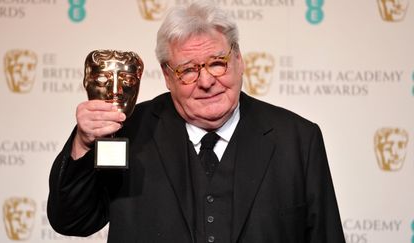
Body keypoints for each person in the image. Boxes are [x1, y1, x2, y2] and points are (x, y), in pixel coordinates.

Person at [47, 1, 345, 242]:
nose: (206, 82)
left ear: (239, 60)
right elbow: (73, 220)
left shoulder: (297, 139)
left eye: (217, 63)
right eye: (188, 70)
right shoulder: (129, 130)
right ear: (166, 75)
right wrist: (84, 143)